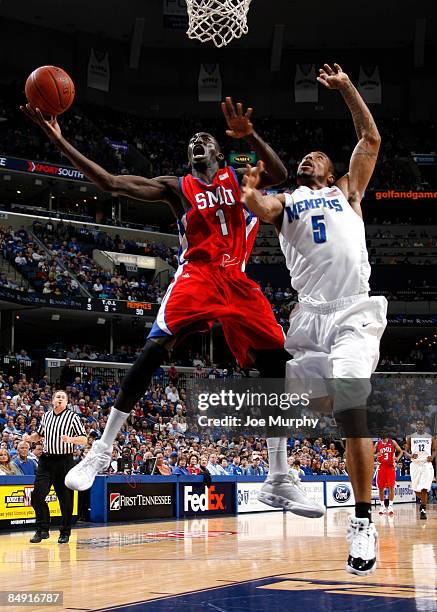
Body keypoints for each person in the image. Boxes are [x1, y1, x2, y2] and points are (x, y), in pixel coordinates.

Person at [22, 97, 290, 492]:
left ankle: (278, 474)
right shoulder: (176, 187)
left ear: (218, 150)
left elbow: (280, 173)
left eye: (204, 138)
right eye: (191, 142)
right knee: (153, 349)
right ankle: (102, 448)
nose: (196, 142)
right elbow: (110, 182)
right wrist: (60, 142)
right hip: (197, 277)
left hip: (237, 278)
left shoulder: (241, 178)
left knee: (278, 362)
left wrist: (251, 136)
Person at [242, 63, 386, 575]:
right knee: (281, 392)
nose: (309, 157)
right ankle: (279, 476)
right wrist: (249, 191)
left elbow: (369, 137)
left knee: (350, 403)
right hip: (309, 315)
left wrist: (348, 88)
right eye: (305, 156)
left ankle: (363, 521)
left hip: (353, 309)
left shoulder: (347, 192)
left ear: (330, 170)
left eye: (317, 156)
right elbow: (259, 205)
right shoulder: (289, 202)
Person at [23, 390, 87, 544]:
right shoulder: (46, 416)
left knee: (65, 500)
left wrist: (70, 439)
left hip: (64, 461)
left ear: (66, 402)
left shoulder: (73, 417)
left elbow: (84, 439)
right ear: (52, 400)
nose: (60, 399)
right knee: (37, 496)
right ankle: (42, 529)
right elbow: (39, 435)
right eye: (57, 396)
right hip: (46, 461)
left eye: (63, 397)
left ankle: (65, 532)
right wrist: (30, 438)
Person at [405, 420, 436, 520]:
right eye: (418, 424)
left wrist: (432, 456)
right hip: (415, 464)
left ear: (425, 426)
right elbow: (406, 451)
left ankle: (423, 510)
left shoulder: (430, 437)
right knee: (416, 489)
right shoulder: (410, 437)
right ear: (415, 426)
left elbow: (435, 449)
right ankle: (424, 500)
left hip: (426, 464)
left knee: (424, 488)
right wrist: (410, 455)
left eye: (422, 424)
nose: (420, 425)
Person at [375, 435, 402, 516]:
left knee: (391, 487)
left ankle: (390, 506)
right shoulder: (377, 443)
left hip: (390, 467)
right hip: (381, 467)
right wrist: (376, 455)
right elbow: (371, 454)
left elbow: (401, 451)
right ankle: (382, 506)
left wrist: (398, 458)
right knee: (381, 488)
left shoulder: (392, 442)